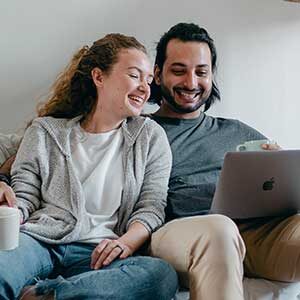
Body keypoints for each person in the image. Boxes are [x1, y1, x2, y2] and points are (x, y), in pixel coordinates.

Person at [0, 33, 178, 300]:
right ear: (99, 77)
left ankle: (45, 296)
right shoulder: (46, 132)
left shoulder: (150, 137)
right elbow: (25, 198)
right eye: (134, 75)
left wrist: (124, 244)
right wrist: (8, 207)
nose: (145, 87)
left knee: (160, 275)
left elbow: (151, 207)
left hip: (101, 253)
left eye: (148, 80)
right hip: (40, 242)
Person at [146, 22, 300, 300]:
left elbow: (286, 185)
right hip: (183, 235)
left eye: (201, 72)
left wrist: (280, 169)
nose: (191, 83)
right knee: (220, 229)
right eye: (179, 71)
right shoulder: (141, 132)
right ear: (157, 75)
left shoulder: (235, 130)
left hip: (255, 234)